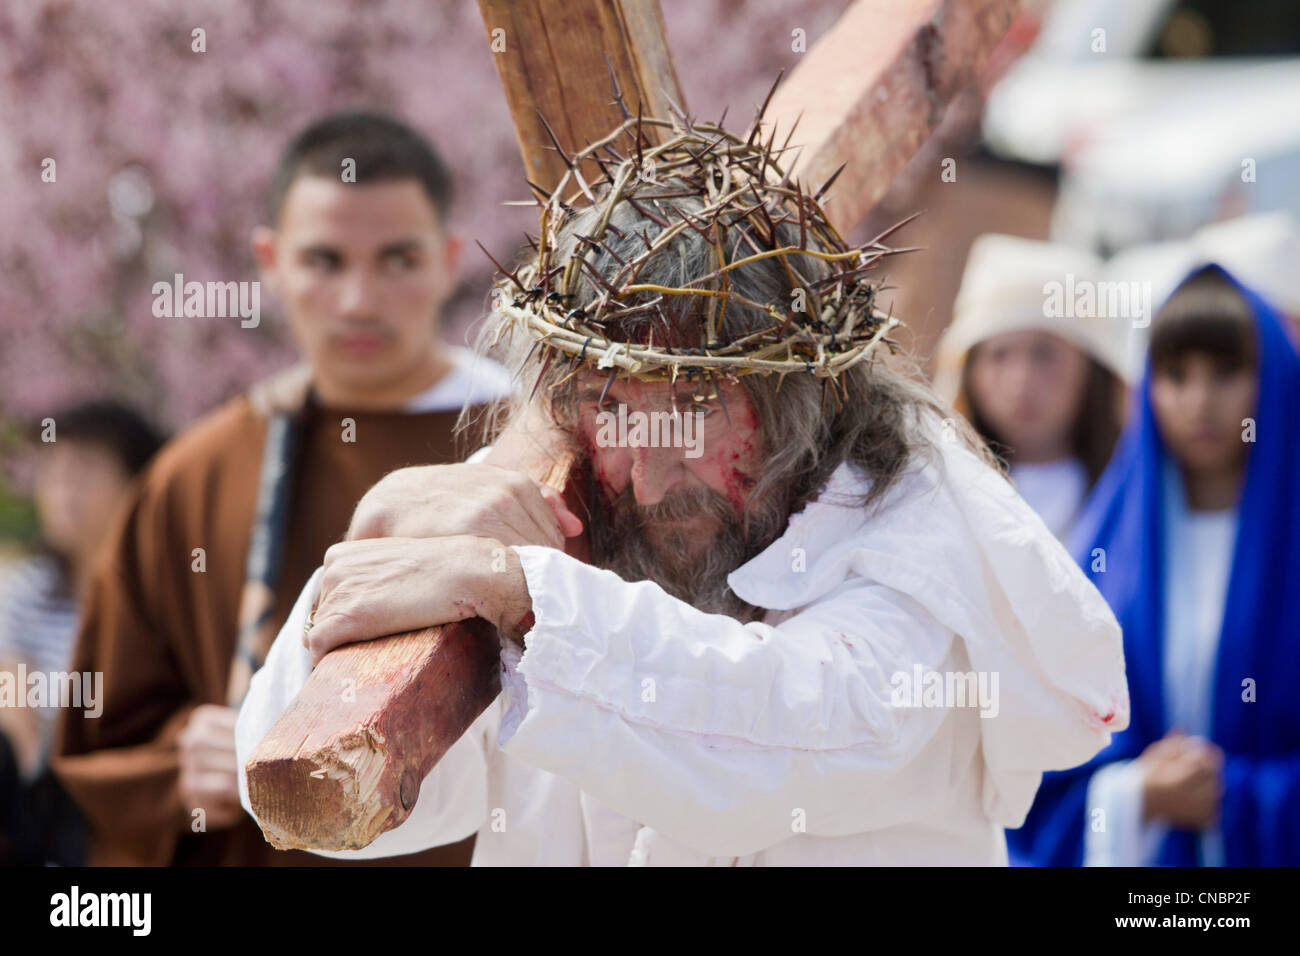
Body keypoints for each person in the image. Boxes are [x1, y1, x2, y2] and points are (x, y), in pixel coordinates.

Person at [235, 115, 1129, 866]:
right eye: (612, 405)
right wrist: (388, 555)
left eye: (701, 408)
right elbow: (310, 790)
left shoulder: (916, 536)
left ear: (802, 404)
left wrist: (521, 594)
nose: (655, 471)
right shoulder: (559, 502)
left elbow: (776, 733)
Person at [52, 110, 513, 866]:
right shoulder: (203, 471)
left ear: (448, 259)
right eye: (325, 260)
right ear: (270, 261)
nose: (360, 299)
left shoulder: (526, 448)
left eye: (398, 259)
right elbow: (107, 733)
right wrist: (184, 761)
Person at [1008, 264, 1300, 866]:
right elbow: (1035, 768)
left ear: (1273, 380)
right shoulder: (1098, 559)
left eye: (1226, 373)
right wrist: (1135, 793)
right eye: (1175, 375)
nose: (1199, 401)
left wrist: (1237, 796)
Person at [0, 401, 163, 865]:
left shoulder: (163, 595)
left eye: (84, 474)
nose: (62, 492)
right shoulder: (26, 589)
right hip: (47, 796)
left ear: (138, 485)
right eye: (53, 474)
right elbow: (18, 710)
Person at [935, 235, 1129, 540]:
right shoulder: (935, 495)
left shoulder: (1132, 495)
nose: (1020, 380)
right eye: (999, 355)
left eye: (1044, 354)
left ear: (1092, 372)